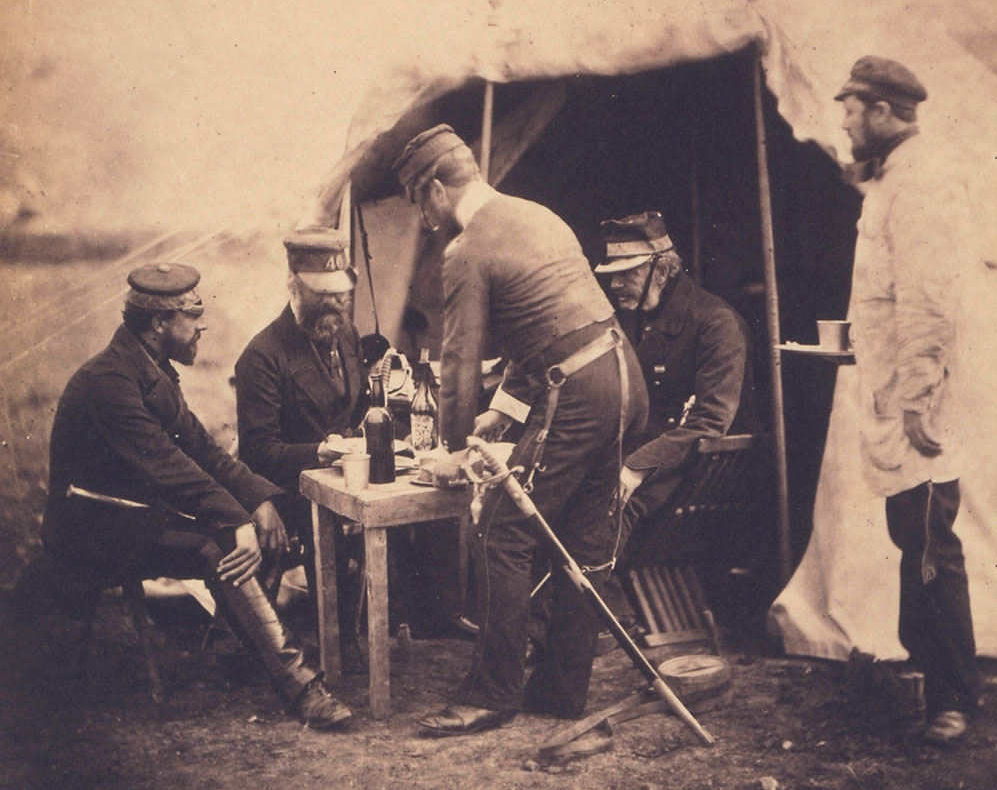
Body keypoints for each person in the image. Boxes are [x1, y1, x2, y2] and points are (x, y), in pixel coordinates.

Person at [392, 125, 648, 736]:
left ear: (433, 189)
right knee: (583, 541)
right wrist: (504, 413)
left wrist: (454, 450)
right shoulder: (539, 215)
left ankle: (492, 693)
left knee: (500, 532)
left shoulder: (466, 250)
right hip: (622, 376)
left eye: (418, 206)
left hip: (579, 393)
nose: (424, 222)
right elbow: (550, 331)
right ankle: (561, 689)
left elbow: (458, 363)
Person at [23, 261, 353, 730]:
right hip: (91, 527)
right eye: (193, 316)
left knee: (261, 519)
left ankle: (238, 649)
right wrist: (237, 519)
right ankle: (301, 685)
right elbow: (169, 466)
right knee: (215, 545)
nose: (203, 325)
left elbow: (204, 451)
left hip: (135, 517)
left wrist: (258, 500)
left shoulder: (150, 367)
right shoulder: (110, 382)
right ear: (159, 324)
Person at [836, 55, 980, 746]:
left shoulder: (920, 184)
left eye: (851, 108)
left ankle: (950, 699)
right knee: (911, 538)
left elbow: (927, 302)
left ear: (884, 112)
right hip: (899, 393)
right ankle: (932, 682)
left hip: (919, 400)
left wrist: (918, 400)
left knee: (928, 546)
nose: (843, 120)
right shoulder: (891, 181)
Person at [591, 211, 759, 563]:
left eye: (627, 274)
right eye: (612, 276)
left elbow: (711, 421)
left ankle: (603, 611)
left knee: (605, 510)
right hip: (644, 454)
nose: (616, 285)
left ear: (664, 269)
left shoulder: (716, 323)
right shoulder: (633, 316)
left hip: (695, 467)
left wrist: (637, 466)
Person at [234, 227, 368, 619]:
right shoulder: (263, 356)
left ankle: (396, 620)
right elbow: (258, 451)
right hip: (290, 489)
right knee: (323, 519)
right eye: (320, 293)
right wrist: (321, 452)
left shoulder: (347, 335)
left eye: (339, 293)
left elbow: (350, 406)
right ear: (293, 286)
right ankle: (339, 636)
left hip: (344, 475)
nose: (333, 304)